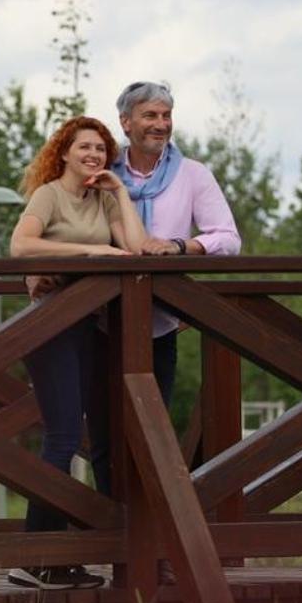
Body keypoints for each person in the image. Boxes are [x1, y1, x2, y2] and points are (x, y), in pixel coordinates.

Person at [4, 116, 148, 591]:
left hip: (89, 326)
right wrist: (87, 255)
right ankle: (35, 557)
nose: (94, 155)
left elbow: (135, 248)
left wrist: (121, 191)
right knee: (63, 436)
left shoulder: (104, 197)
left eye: (102, 149)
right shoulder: (48, 195)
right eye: (84, 147)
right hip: (51, 325)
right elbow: (20, 245)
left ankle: (55, 557)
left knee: (83, 436)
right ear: (63, 152)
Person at [108, 81, 242, 404]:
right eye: (150, 115)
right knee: (100, 432)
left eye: (167, 116)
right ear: (126, 122)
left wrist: (179, 247)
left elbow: (228, 239)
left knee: (153, 425)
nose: (161, 124)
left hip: (162, 322)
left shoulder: (192, 174)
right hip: (99, 317)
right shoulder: (102, 169)